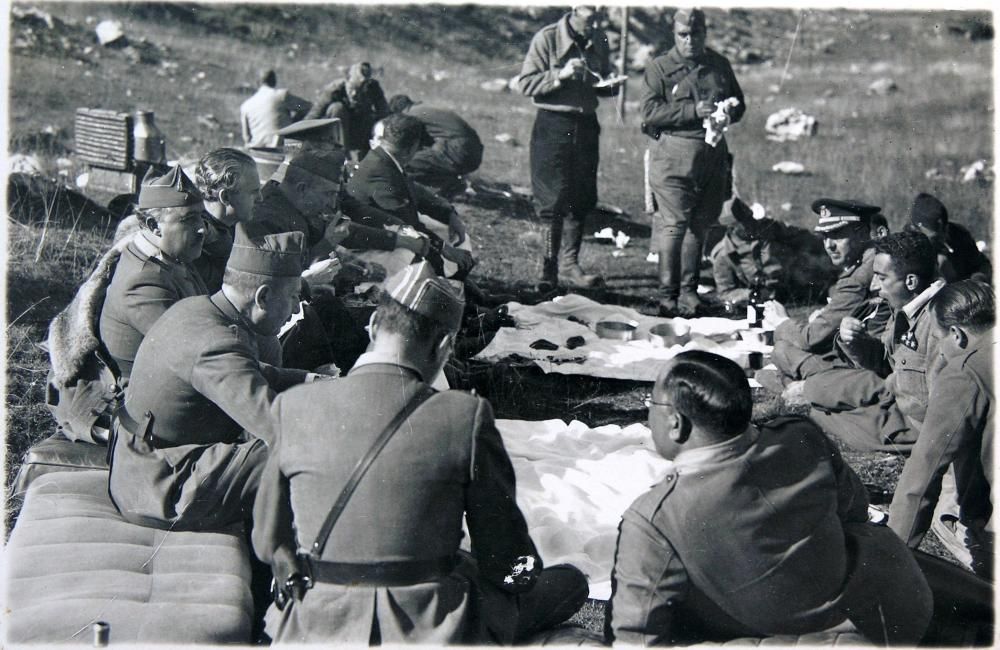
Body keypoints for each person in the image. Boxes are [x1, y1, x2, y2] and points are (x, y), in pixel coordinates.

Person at [252, 261, 588, 643]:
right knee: (570, 582)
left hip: (320, 622)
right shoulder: (465, 415)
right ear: (444, 346)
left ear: (374, 326)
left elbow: (268, 540)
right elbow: (506, 558)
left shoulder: (293, 406)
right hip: (429, 627)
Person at [605, 350, 932, 645]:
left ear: (676, 424)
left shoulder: (654, 520)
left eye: (652, 404)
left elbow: (634, 637)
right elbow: (855, 510)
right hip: (885, 613)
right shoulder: (799, 435)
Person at [107, 231, 316, 531]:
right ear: (264, 297)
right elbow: (274, 426)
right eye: (294, 296)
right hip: (163, 485)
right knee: (303, 450)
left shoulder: (200, 310)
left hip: (145, 463)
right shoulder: (215, 341)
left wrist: (313, 381)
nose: (297, 308)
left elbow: (252, 370)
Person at [802, 230, 945, 454]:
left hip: (918, 426)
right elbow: (886, 360)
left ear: (910, 281)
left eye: (882, 277)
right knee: (819, 398)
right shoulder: (906, 306)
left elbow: (947, 408)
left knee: (826, 417)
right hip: (897, 399)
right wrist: (857, 342)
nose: (874, 286)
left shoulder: (940, 323)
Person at [641, 8, 744, 316]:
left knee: (699, 225)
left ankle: (689, 293)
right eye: (682, 35)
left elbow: (740, 103)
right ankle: (667, 297)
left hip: (712, 157)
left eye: (695, 34)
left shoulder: (718, 65)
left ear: (704, 34)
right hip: (673, 156)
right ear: (674, 35)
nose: (689, 41)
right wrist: (691, 112)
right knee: (674, 225)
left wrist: (731, 109)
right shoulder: (659, 68)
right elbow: (649, 114)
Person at [889, 279, 994, 579]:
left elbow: (923, 473)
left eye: (939, 340)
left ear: (957, 335)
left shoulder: (964, 369)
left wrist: (893, 557)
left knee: (943, 511)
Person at [516, 5, 624, 290]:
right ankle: (548, 271)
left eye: (600, 13)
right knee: (552, 203)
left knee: (582, 199)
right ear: (575, 9)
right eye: (590, 13)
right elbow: (525, 83)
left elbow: (600, 83)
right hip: (553, 123)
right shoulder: (547, 38)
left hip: (586, 125)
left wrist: (611, 84)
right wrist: (560, 75)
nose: (595, 20)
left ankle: (570, 265)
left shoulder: (600, 40)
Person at [99, 166, 208, 382]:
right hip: (144, 400)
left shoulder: (171, 255)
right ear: (153, 225)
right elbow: (192, 351)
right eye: (189, 219)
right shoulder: (143, 281)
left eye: (201, 217)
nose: (202, 228)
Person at [763, 199, 883, 384]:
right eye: (825, 236)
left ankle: (806, 387)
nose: (829, 245)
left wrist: (781, 321)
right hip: (870, 356)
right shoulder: (874, 259)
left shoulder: (859, 277)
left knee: (781, 351)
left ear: (861, 234)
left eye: (836, 235)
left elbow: (811, 338)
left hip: (867, 369)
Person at [344, 113, 474, 279]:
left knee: (444, 230)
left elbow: (414, 191)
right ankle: (448, 284)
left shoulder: (385, 158)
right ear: (412, 148)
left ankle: (457, 280)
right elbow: (408, 224)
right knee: (422, 253)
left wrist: (448, 213)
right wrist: (445, 249)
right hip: (369, 247)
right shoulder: (381, 171)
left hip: (389, 232)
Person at [708, 197, 836, 306]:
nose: (751, 223)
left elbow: (803, 238)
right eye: (745, 222)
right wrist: (751, 294)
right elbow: (725, 293)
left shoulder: (769, 227)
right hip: (767, 299)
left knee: (836, 293)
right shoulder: (724, 255)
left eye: (750, 217)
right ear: (733, 228)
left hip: (797, 281)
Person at [386, 93, 484, 198]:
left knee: (405, 163)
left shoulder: (411, 115)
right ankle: (453, 185)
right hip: (473, 152)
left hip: (457, 150)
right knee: (423, 160)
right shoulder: (424, 108)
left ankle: (445, 188)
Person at [193, 148, 262, 292]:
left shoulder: (231, 226)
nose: (260, 199)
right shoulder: (198, 246)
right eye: (253, 192)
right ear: (225, 197)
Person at [305, 61, 389, 160]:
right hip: (335, 136)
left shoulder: (373, 88)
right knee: (337, 108)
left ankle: (367, 160)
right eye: (352, 88)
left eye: (360, 89)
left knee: (375, 119)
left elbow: (385, 114)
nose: (354, 94)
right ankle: (340, 155)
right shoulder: (334, 89)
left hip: (360, 134)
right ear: (346, 80)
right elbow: (314, 114)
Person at [905, 192, 992, 284]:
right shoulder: (907, 246)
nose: (944, 237)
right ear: (918, 227)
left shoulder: (958, 233)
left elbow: (981, 264)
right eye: (936, 237)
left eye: (946, 230)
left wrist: (978, 277)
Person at [240, 68, 310, 148]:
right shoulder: (281, 96)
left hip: (257, 151)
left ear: (257, 83)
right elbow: (307, 107)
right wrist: (293, 123)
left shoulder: (246, 106)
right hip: (280, 149)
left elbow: (246, 138)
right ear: (274, 81)